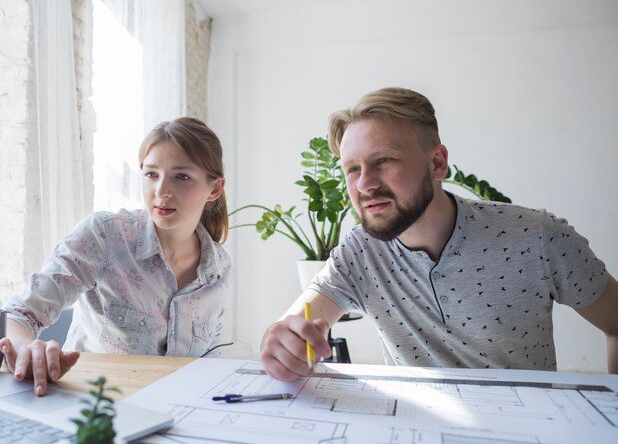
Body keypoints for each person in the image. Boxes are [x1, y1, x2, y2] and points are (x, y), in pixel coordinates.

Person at [261, 87, 618, 380]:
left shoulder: (537, 237)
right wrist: (281, 343)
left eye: (383, 160)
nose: (365, 183)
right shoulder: (359, 252)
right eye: (353, 168)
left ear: (437, 163)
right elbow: (292, 325)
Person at [0, 117, 231, 395]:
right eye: (151, 174)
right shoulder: (103, 236)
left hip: (175, 419)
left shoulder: (218, 269)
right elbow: (17, 315)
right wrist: (27, 349)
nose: (161, 191)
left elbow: (207, 366)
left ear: (214, 189)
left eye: (181, 176)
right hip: (95, 414)